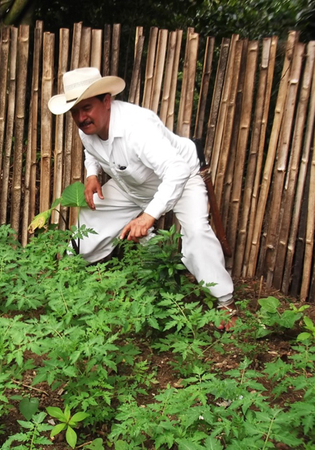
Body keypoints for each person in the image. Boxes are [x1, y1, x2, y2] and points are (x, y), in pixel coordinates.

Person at [48, 67, 235, 327]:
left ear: (106, 100)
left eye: (87, 108)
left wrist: (148, 216)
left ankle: (225, 303)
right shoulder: (86, 127)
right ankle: (74, 277)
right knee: (90, 221)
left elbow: (176, 170)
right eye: (75, 112)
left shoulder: (137, 128)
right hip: (131, 184)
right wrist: (92, 175)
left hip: (182, 178)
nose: (81, 117)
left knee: (197, 232)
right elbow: (92, 151)